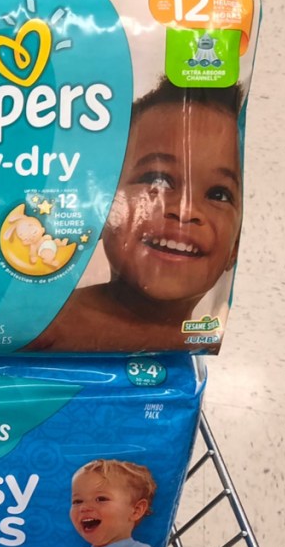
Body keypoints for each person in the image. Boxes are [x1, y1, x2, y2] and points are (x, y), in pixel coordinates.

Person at [27, 77, 244, 352]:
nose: (185, 210)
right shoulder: (45, 324)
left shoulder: (197, 345)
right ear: (104, 205)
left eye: (218, 194)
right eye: (158, 180)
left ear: (235, 245)